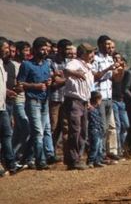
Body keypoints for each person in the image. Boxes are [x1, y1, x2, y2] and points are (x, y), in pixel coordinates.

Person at [17, 37, 53, 170]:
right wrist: (35, 86)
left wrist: (49, 83)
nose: (44, 51)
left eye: (46, 49)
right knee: (38, 132)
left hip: (44, 101)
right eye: (42, 49)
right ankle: (40, 160)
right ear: (36, 49)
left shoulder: (46, 64)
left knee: (40, 131)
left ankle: (26, 157)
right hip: (33, 101)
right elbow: (20, 83)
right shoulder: (27, 65)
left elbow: (48, 79)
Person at [61, 43, 95, 170]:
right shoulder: (75, 63)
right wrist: (76, 74)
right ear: (84, 53)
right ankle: (73, 159)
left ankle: (77, 158)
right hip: (74, 101)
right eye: (90, 52)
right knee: (75, 130)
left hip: (84, 102)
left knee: (82, 132)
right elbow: (66, 71)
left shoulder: (88, 66)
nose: (92, 55)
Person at [91, 35, 120, 161]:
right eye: (107, 44)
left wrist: (120, 70)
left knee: (110, 127)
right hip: (99, 97)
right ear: (100, 45)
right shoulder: (95, 59)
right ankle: (100, 154)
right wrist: (108, 69)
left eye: (111, 45)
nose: (110, 47)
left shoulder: (110, 58)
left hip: (109, 96)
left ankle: (110, 152)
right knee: (101, 126)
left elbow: (115, 79)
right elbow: (94, 77)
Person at [0, 37, 20, 175]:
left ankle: (11, 164)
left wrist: (7, 92)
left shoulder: (2, 63)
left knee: (7, 134)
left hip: (3, 105)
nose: (8, 51)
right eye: (6, 48)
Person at [87, 91, 106, 168]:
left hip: (99, 130)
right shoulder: (90, 109)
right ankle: (91, 161)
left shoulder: (96, 109)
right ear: (97, 100)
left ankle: (97, 160)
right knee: (94, 146)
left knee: (99, 147)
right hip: (93, 130)